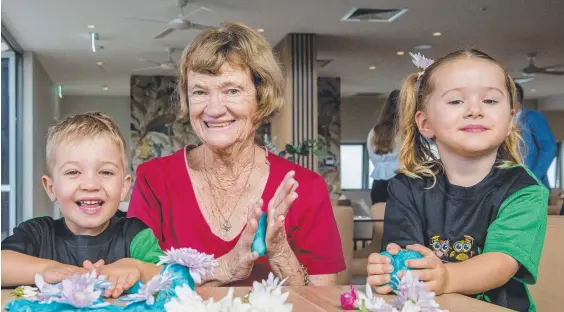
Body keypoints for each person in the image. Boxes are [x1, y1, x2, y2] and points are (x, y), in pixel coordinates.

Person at [127, 22, 345, 287]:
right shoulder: (154, 180)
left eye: (232, 90)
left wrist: (279, 252)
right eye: (200, 92)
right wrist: (226, 267)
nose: (214, 109)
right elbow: (137, 280)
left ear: (261, 96)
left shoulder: (306, 189)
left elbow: (323, 298)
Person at [366, 49, 548, 311]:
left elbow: (502, 261)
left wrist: (447, 277)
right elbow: (405, 259)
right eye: (455, 102)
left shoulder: (524, 190)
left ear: (510, 120)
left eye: (490, 101)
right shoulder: (406, 187)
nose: (475, 110)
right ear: (425, 123)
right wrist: (388, 272)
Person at [1, 112, 163, 298]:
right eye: (73, 172)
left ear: (123, 187)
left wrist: (138, 268)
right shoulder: (37, 233)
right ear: (51, 188)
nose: (90, 185)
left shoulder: (135, 234)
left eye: (106, 172)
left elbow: (173, 277)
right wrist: (49, 269)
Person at [514, 82, 557, 190]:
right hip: (509, 186)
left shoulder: (533, 117)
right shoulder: (503, 121)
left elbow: (549, 149)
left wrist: (533, 177)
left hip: (531, 186)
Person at [367, 90, 401, 204]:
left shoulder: (375, 132)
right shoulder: (409, 132)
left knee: (380, 220)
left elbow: (373, 158)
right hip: (402, 182)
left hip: (380, 183)